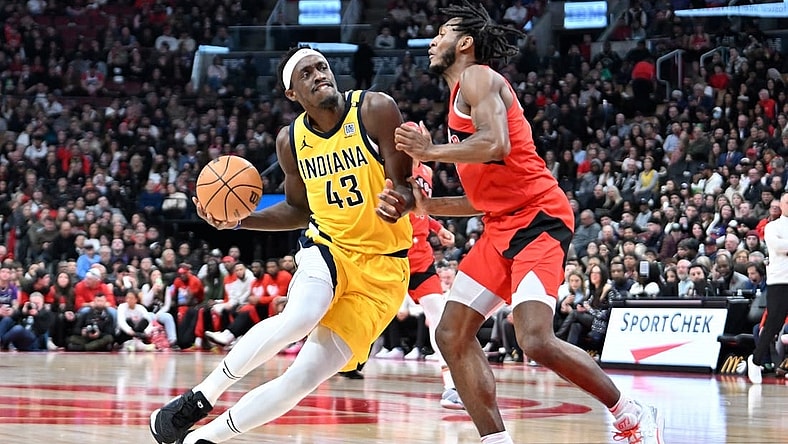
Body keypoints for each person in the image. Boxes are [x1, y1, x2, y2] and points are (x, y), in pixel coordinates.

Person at [391, 2, 665, 443]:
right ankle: (495, 439)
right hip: (500, 226)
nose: (432, 40)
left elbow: (496, 143)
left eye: (441, 33)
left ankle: (632, 412)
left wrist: (430, 154)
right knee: (450, 333)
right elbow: (480, 200)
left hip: (538, 218)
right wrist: (423, 206)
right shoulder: (455, 105)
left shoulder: (478, 77)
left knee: (534, 338)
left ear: (464, 43)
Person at [150, 46, 414, 444]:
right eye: (306, 73)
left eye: (322, 67)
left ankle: (201, 440)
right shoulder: (290, 140)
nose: (318, 74)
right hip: (329, 247)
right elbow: (297, 210)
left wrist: (402, 200)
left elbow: (406, 186)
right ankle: (197, 399)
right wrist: (238, 220)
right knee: (301, 316)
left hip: (385, 270)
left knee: (302, 379)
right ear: (292, 93)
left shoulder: (375, 109)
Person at [748, 193, 788, 384]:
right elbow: (779, 246)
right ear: (781, 205)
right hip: (779, 280)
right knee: (773, 323)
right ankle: (755, 360)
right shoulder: (772, 226)